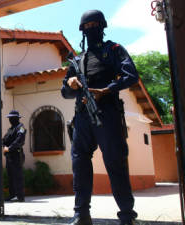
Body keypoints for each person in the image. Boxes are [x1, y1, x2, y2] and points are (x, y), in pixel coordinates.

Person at [61, 10, 139, 225]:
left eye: (95, 24)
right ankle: (81, 215)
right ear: (82, 31)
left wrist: (107, 89)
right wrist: (70, 84)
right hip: (82, 118)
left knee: (115, 163)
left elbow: (131, 75)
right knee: (80, 164)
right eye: (87, 26)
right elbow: (64, 92)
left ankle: (126, 217)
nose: (91, 28)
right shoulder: (77, 60)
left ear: (102, 27)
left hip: (108, 114)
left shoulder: (113, 49)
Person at [2, 110, 26, 202]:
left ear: (17, 118)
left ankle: (20, 196)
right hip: (9, 156)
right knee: (10, 176)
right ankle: (12, 195)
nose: (10, 119)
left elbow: (20, 140)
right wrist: (4, 147)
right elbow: (4, 140)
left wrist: (9, 148)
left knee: (17, 176)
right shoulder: (10, 129)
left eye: (12, 118)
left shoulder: (21, 127)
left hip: (16, 154)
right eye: (10, 118)